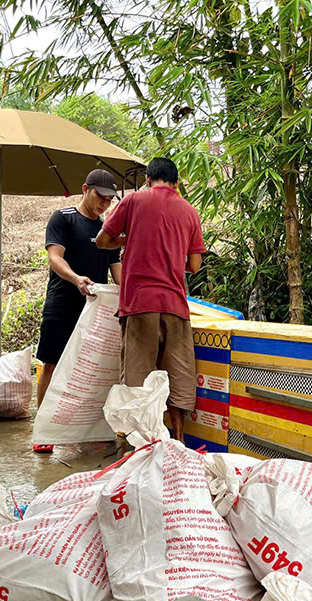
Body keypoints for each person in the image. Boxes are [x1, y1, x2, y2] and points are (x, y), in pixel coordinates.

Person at [95, 157, 204, 442]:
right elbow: (194, 265)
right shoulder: (190, 212)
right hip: (175, 305)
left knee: (136, 379)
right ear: (176, 183)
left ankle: (136, 448)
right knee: (177, 375)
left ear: (147, 180)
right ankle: (178, 441)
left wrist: (127, 241)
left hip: (139, 304)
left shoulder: (132, 202)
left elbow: (102, 240)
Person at [33, 168, 122, 452]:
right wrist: (75, 278)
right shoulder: (63, 219)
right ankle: (44, 432)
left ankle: (88, 428)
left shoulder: (106, 230)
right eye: (100, 197)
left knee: (94, 368)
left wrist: (129, 292)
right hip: (63, 301)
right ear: (85, 188)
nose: (104, 204)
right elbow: (54, 258)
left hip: (95, 308)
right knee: (52, 362)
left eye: (109, 201)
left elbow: (116, 270)